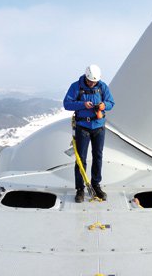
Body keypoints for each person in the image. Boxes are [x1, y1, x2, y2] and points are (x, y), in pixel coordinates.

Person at [63, 64, 115, 203]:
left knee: (98, 156)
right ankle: (80, 189)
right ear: (86, 77)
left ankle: (96, 185)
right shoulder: (76, 86)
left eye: (95, 82)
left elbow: (111, 102)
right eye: (90, 81)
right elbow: (67, 104)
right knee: (81, 159)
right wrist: (82, 104)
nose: (92, 84)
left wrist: (104, 105)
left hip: (98, 127)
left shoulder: (102, 86)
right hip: (82, 127)